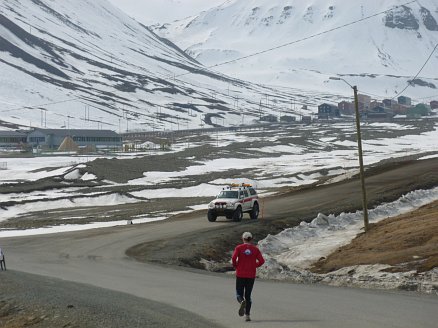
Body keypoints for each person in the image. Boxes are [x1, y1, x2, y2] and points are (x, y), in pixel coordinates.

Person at [232, 232, 265, 322]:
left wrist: (236, 266)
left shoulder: (238, 248)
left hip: (240, 274)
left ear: (243, 239)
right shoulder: (255, 249)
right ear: (251, 239)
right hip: (251, 275)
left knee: (239, 293)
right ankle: (247, 315)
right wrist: (255, 265)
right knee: (248, 295)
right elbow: (262, 261)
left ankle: (241, 301)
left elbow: (234, 258)